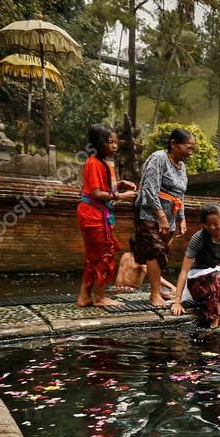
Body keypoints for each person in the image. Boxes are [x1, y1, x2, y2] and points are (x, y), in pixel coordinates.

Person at [76, 124, 137, 307]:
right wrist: (121, 196)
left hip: (98, 214)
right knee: (105, 253)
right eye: (110, 142)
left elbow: (106, 187)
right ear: (98, 143)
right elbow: (96, 193)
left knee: (94, 256)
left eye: (116, 142)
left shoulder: (106, 164)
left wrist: (120, 184)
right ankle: (100, 297)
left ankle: (84, 296)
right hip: (93, 214)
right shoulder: (93, 163)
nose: (114, 146)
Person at [133, 127, 194, 306]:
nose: (191, 153)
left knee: (162, 253)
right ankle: (154, 294)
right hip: (150, 214)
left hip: (171, 216)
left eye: (192, 148)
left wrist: (182, 218)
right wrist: (160, 216)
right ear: (173, 144)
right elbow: (150, 189)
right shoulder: (158, 158)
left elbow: (180, 195)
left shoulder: (182, 167)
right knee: (154, 251)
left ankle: (158, 289)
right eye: (188, 148)